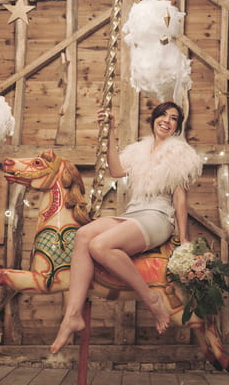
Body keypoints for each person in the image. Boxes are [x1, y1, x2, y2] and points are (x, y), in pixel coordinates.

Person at [50, 101, 203, 353]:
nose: (166, 120)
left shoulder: (179, 154)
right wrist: (109, 131)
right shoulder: (139, 150)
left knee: (100, 245)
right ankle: (72, 315)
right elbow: (116, 170)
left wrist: (183, 237)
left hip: (157, 216)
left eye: (173, 118)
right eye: (162, 115)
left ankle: (151, 299)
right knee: (83, 235)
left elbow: (179, 198)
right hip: (134, 213)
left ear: (177, 127)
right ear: (154, 119)